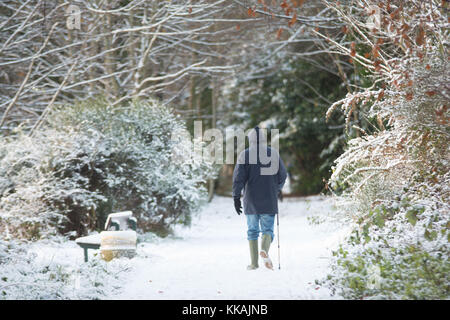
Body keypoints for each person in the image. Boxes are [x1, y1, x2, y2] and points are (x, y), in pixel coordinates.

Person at [232, 126, 287, 270]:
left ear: (250, 140)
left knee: (252, 231)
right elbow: (283, 175)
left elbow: (238, 178)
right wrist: (276, 189)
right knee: (267, 230)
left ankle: (254, 263)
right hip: (269, 198)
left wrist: (236, 197)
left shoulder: (245, 155)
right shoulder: (273, 153)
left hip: (251, 200)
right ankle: (264, 249)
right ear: (264, 139)